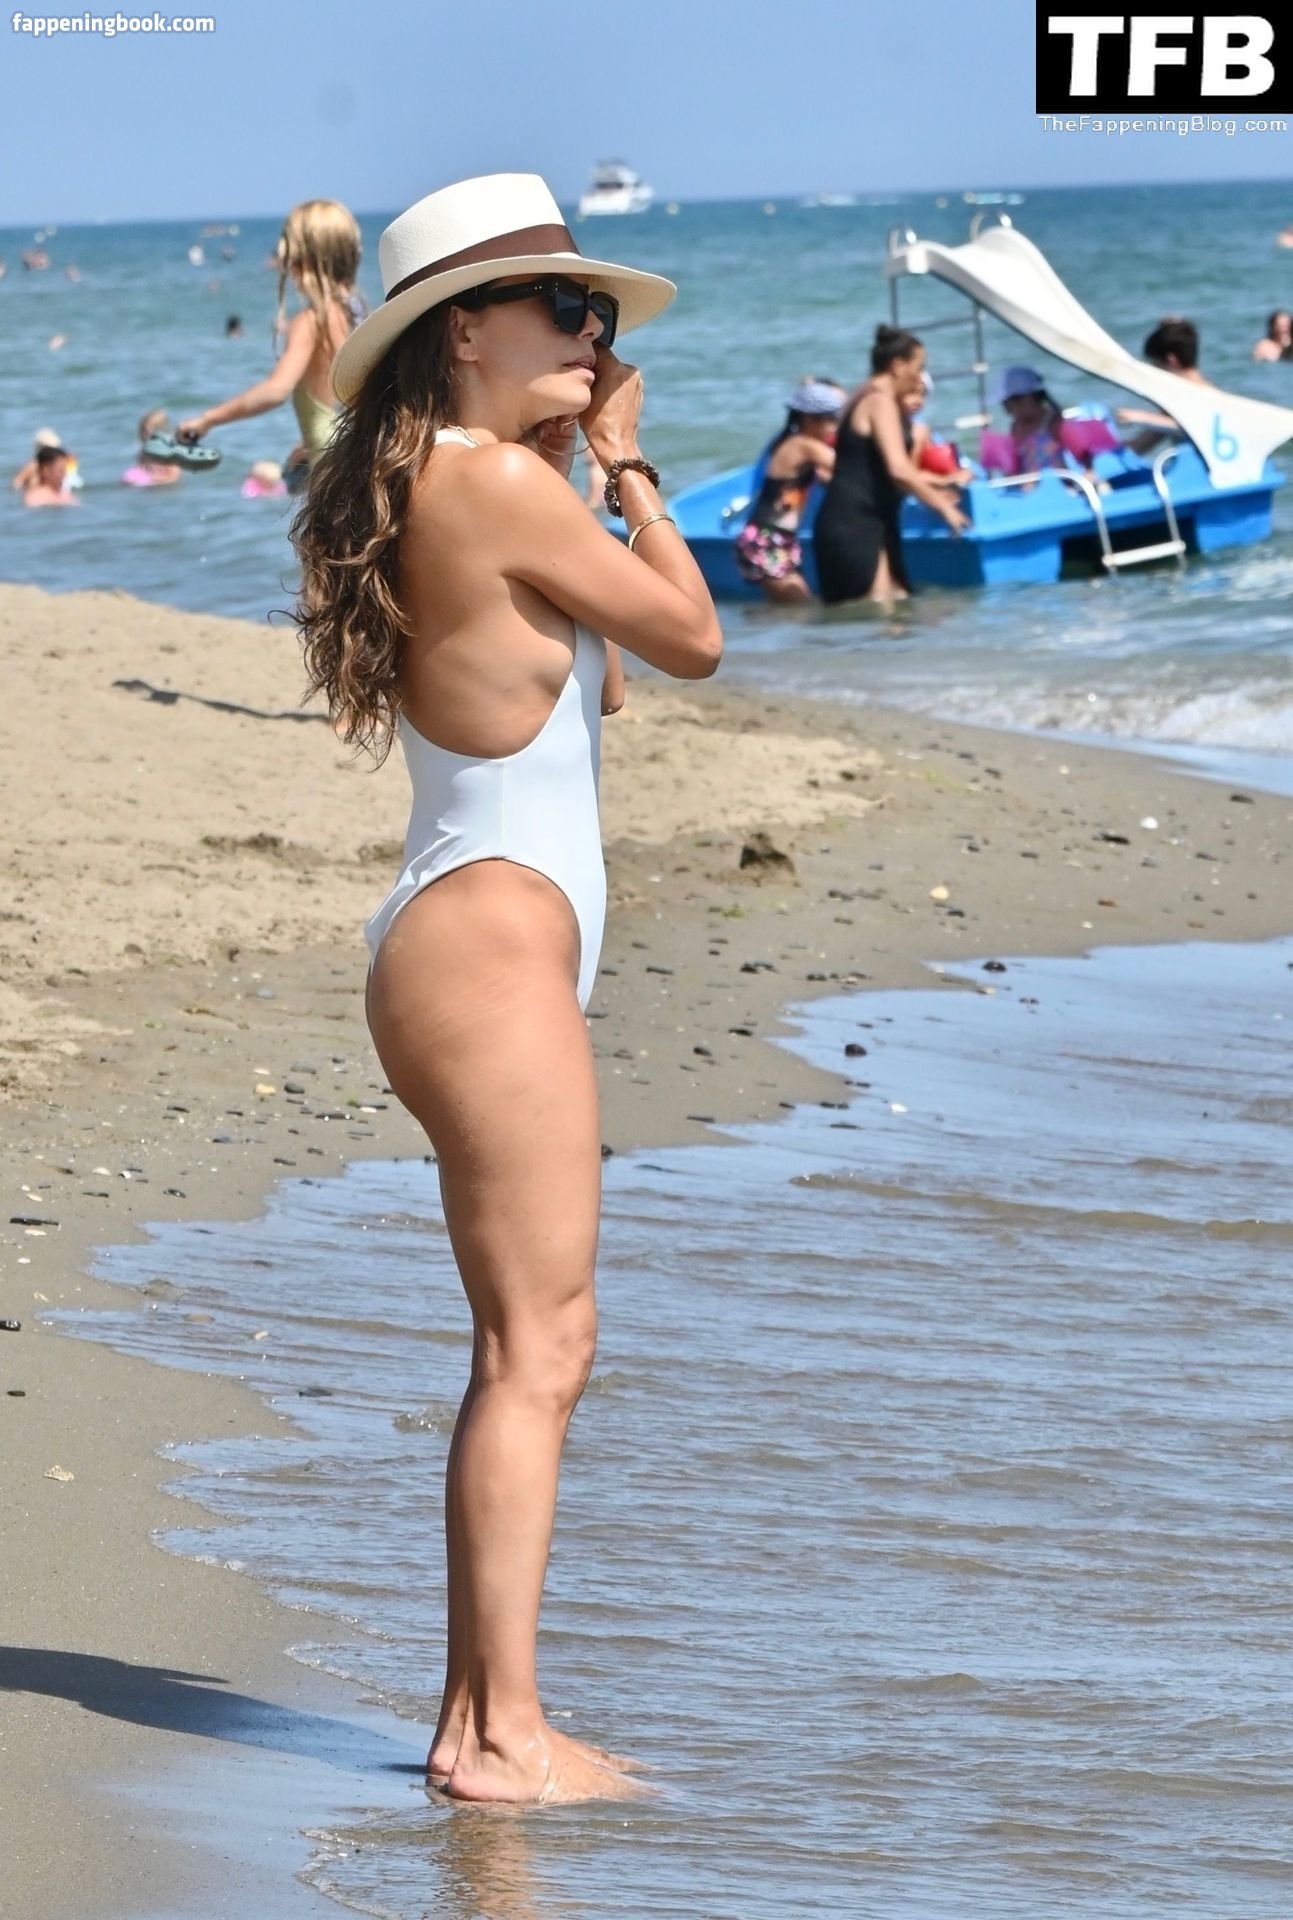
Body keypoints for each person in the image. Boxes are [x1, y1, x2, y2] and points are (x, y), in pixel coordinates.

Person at [292, 171, 722, 1806]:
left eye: (598, 313)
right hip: (487, 942)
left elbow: (586, 679)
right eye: (565, 308)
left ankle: (478, 1719)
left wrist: (569, 459)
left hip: (466, 933)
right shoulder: (491, 480)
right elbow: (689, 635)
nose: (594, 334)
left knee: (518, 1345)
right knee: (544, 1344)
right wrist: (625, 465)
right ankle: (503, 1737)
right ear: (463, 331)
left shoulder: (453, 478)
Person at [178, 199, 366, 479]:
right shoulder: (359, 312)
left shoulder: (311, 321)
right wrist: (315, 443)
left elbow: (276, 390)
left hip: (336, 483)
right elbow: (346, 409)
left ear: (299, 258)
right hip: (359, 464)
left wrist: (207, 420)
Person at [813, 325, 968, 604]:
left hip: (875, 521)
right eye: (919, 367)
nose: (920, 376)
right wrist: (942, 507)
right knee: (878, 611)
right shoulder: (879, 402)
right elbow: (899, 469)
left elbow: (882, 469)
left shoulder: (869, 394)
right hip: (854, 523)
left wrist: (932, 490)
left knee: (897, 606)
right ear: (898, 365)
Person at [735, 377, 843, 603]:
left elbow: (828, 477)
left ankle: (749, 625)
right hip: (769, 538)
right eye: (831, 419)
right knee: (800, 607)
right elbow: (847, 467)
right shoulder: (803, 445)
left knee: (784, 609)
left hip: (772, 537)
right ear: (808, 419)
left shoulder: (793, 444)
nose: (835, 427)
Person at [1117, 316, 1210, 451]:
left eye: (1157, 366)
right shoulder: (1178, 401)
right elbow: (1140, 445)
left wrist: (1139, 417)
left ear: (1172, 361)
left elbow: (1194, 427)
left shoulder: (1206, 397)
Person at [122, 408, 182, 486]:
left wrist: (153, 481)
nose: (145, 435)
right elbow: (140, 469)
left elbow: (174, 477)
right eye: (143, 431)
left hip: (167, 488)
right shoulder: (144, 453)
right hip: (150, 487)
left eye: (151, 431)